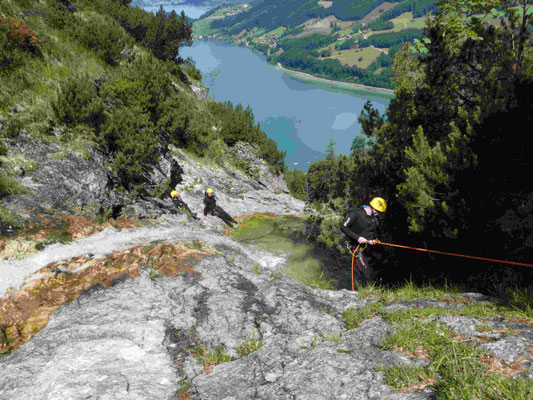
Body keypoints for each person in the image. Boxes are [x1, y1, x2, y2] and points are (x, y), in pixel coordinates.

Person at [340, 197, 387, 283]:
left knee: (380, 266)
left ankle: (366, 288)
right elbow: (343, 226)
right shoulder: (356, 213)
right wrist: (358, 238)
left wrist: (374, 240)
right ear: (373, 208)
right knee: (367, 274)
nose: (379, 215)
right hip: (355, 247)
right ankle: (363, 291)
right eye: (378, 212)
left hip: (367, 248)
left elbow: (373, 233)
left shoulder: (375, 219)